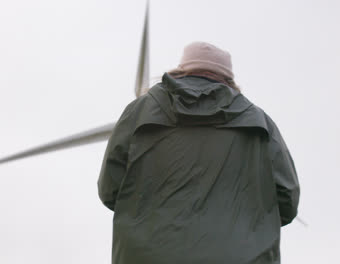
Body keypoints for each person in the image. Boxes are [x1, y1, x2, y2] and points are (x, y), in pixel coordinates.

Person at [98, 41, 300, 264]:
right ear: (229, 78)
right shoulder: (260, 123)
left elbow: (110, 190)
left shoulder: (139, 111)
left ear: (183, 69)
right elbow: (287, 201)